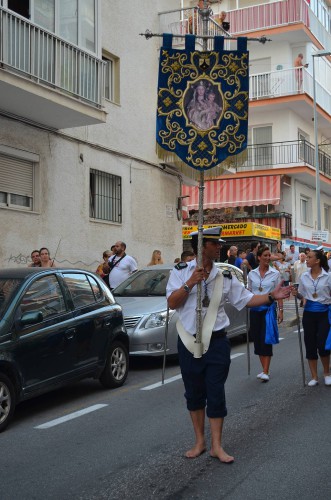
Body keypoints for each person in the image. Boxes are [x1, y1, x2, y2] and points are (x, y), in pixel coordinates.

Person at [166, 228, 291, 463]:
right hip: (188, 342)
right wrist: (190, 283)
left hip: (216, 342)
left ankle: (216, 446)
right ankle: (199, 442)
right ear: (202, 246)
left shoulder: (224, 276)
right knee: (193, 393)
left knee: (215, 392)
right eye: (215, 243)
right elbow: (172, 302)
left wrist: (273, 296)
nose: (220, 247)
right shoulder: (180, 272)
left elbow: (246, 299)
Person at [294, 249, 331, 386]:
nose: (306, 259)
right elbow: (302, 296)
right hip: (309, 314)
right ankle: (314, 377)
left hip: (324, 313)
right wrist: (296, 294)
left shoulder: (328, 276)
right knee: (310, 345)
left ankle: (327, 373)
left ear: (317, 261)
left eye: (309, 257)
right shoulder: (304, 277)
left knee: (323, 345)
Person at [248, 245, 284, 382]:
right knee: (257, 339)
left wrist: (280, 310)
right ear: (258, 257)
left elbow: (278, 293)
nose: (268, 258)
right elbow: (249, 291)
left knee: (266, 338)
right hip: (255, 310)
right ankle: (264, 368)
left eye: (269, 256)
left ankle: (265, 370)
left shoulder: (275, 273)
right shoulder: (252, 274)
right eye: (265, 256)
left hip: (268, 310)